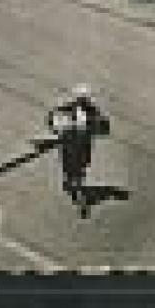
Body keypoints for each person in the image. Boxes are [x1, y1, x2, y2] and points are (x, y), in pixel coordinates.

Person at [43, 86, 110, 216]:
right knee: (72, 170)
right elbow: (53, 118)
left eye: (84, 100)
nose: (83, 102)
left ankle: (78, 192)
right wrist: (58, 127)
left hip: (82, 147)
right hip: (70, 146)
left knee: (78, 170)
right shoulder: (68, 108)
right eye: (81, 99)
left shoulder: (92, 112)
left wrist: (92, 126)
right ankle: (78, 194)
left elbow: (104, 127)